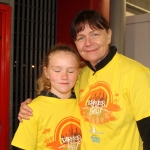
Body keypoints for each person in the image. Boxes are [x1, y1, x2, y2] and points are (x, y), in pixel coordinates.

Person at [18, 9, 150, 150]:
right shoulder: (80, 76)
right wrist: (30, 108)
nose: (88, 43)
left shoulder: (136, 74)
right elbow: (59, 102)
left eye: (94, 34)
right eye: (81, 37)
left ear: (109, 35)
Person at [11, 44, 82, 150]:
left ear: (78, 73)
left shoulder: (85, 105)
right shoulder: (32, 109)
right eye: (57, 70)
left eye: (70, 71)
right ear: (46, 72)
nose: (64, 76)